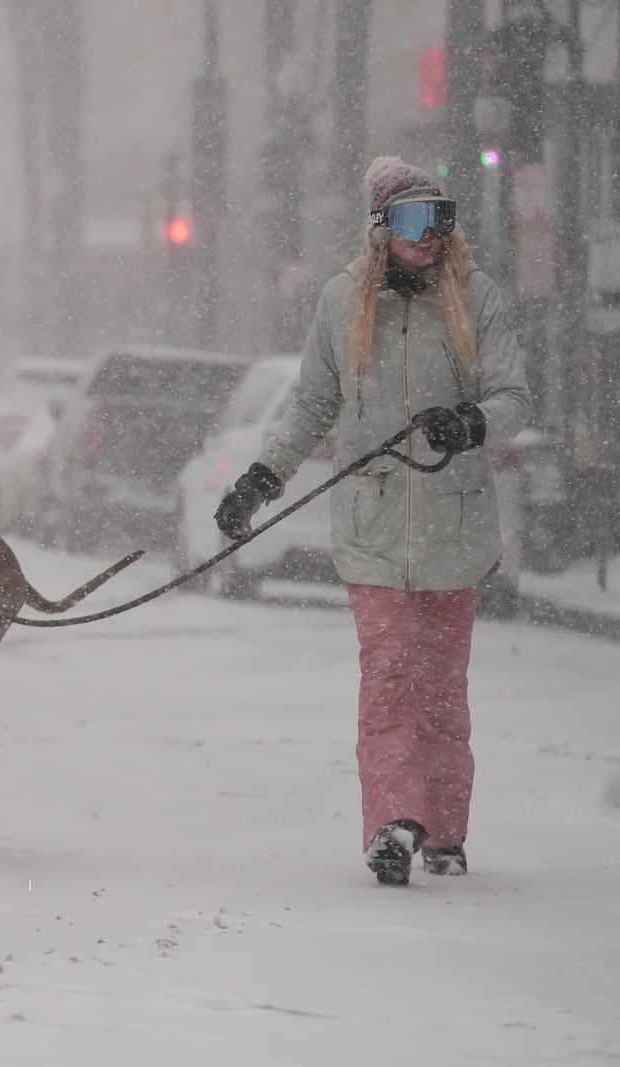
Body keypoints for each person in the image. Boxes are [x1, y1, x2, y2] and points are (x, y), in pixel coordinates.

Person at [214, 157, 532, 886]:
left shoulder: (476, 298)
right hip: (373, 527)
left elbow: (514, 394)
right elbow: (312, 407)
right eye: (417, 222)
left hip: (455, 528)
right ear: (382, 228)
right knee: (387, 677)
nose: (431, 237)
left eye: (442, 219)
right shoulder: (342, 302)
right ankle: (392, 822)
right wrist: (261, 480)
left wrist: (469, 421)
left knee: (441, 685)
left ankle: (445, 827)